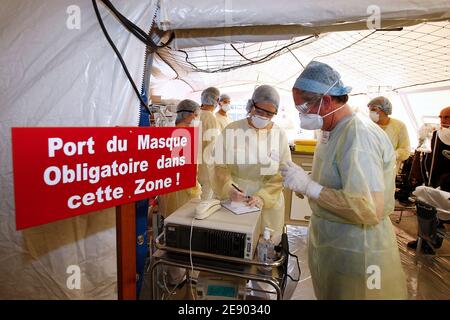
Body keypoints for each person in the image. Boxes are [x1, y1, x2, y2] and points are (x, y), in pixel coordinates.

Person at [281, 61, 407, 299]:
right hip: (334, 245)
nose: (302, 115)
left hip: (359, 253)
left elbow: (368, 207)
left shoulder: (358, 135)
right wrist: (304, 183)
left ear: (326, 101)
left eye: (304, 107)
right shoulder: (332, 130)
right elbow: (339, 180)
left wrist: (309, 186)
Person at [211, 85, 292, 236]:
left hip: (268, 204)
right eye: (260, 111)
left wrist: (263, 197)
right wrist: (228, 188)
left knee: (264, 246)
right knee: (232, 242)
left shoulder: (279, 135)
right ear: (250, 105)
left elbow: (282, 172)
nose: (263, 117)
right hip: (234, 199)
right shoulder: (232, 129)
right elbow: (219, 166)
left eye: (269, 114)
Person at [158, 99, 202, 286]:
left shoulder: (165, 131)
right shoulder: (188, 134)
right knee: (186, 237)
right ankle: (184, 278)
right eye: (196, 114)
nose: (197, 118)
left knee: (172, 235)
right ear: (191, 114)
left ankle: (175, 278)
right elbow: (191, 169)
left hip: (168, 193)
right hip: (185, 194)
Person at [367, 96, 411, 173]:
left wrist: (392, 155)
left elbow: (405, 150)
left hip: (388, 171)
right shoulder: (368, 126)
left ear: (384, 110)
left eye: (373, 109)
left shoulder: (399, 126)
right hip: (368, 168)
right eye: (370, 110)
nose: (370, 113)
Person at [198, 87, 221, 200]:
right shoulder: (210, 117)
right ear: (215, 99)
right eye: (218, 99)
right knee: (205, 198)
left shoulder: (196, 114)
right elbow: (214, 146)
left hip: (194, 165)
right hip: (206, 167)